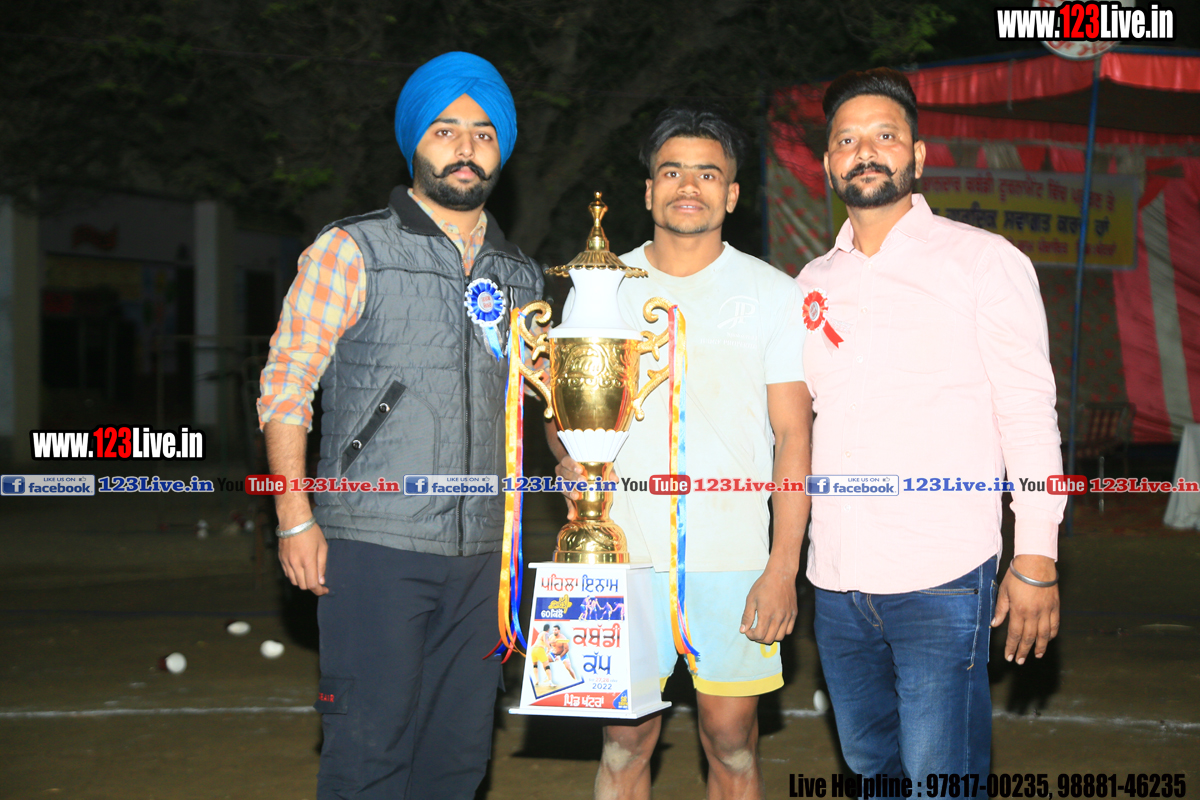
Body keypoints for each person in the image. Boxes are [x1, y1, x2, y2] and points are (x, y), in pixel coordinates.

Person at [257, 51, 544, 800]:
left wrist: (575, 454)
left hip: (486, 556)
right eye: (445, 130)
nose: (465, 147)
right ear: (415, 140)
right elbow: (287, 384)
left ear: (502, 151)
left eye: (483, 133)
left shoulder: (521, 276)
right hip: (373, 545)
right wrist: (294, 516)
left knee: (456, 765)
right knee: (367, 760)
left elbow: (536, 401)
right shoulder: (352, 250)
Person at [796, 67, 1065, 784]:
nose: (865, 151)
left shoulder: (984, 261)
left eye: (885, 136)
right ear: (827, 164)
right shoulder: (810, 284)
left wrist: (1036, 555)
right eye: (846, 140)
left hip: (941, 575)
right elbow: (795, 420)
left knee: (939, 776)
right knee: (869, 766)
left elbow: (1028, 412)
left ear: (916, 155)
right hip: (835, 578)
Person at [553, 105, 812, 800]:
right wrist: (567, 454)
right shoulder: (599, 285)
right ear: (648, 191)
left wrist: (783, 566)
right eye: (671, 172)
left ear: (732, 193)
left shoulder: (773, 293)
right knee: (623, 743)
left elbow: (794, 437)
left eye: (707, 173)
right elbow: (565, 407)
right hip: (620, 553)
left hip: (733, 558)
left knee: (731, 744)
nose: (688, 185)